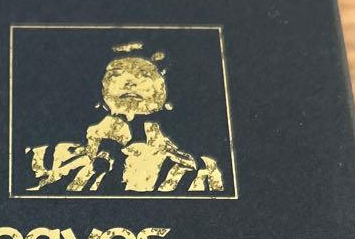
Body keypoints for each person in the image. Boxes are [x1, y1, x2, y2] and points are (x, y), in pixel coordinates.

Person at [26, 43, 223, 194]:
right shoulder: (49, 158)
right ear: (100, 90)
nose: (130, 82)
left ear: (166, 92)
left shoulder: (199, 170)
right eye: (117, 74)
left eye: (144, 74)